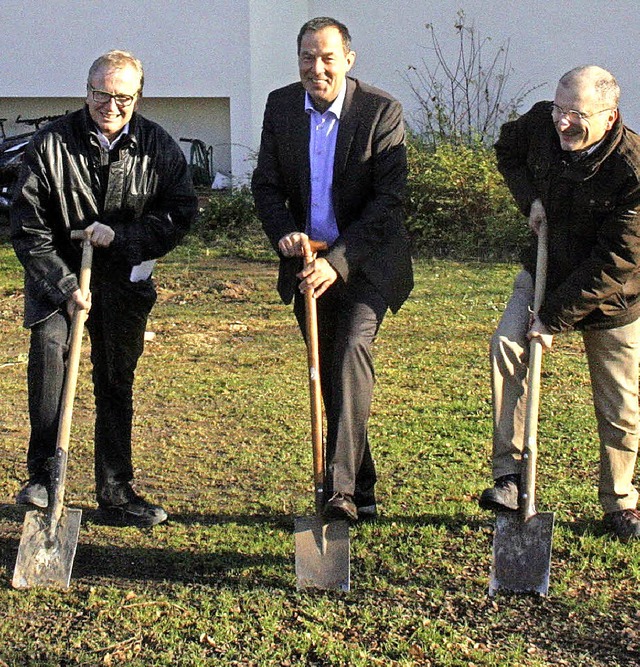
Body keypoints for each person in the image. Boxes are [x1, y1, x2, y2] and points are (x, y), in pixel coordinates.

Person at [11, 50, 198, 527]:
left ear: (138, 96)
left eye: (122, 96)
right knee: (50, 364)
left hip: (122, 280)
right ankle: (42, 479)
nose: (110, 105)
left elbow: (179, 212)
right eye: (101, 94)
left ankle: (115, 490)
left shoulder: (157, 146)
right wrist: (66, 284)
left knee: (115, 380)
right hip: (56, 279)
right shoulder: (50, 145)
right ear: (86, 91)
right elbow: (28, 229)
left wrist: (125, 238)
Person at [251, 17, 413, 522]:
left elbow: (389, 202)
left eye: (326, 57)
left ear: (348, 58)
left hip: (367, 261)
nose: (316, 68)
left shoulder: (380, 111)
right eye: (306, 57)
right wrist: (285, 233)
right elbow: (266, 184)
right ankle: (361, 486)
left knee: (349, 351)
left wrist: (337, 264)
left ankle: (339, 492)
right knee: (330, 374)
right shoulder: (281, 106)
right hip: (305, 260)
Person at [479, 65, 640, 540]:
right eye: (559, 109)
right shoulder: (540, 125)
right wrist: (529, 198)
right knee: (507, 346)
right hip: (544, 270)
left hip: (613, 296)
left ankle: (620, 501)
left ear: (609, 118)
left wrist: (551, 319)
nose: (563, 123)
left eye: (578, 115)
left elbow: (615, 263)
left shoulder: (632, 171)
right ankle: (509, 479)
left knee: (619, 402)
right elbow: (506, 151)